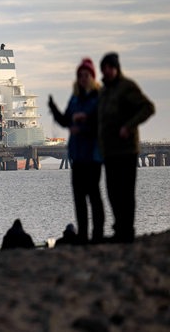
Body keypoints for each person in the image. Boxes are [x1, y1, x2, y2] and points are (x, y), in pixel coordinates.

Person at [98, 52, 155, 243]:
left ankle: (126, 230)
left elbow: (148, 107)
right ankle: (119, 227)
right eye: (104, 68)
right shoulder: (104, 92)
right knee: (112, 191)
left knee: (126, 192)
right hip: (109, 151)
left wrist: (128, 126)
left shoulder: (127, 87)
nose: (106, 71)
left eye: (109, 67)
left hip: (127, 150)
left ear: (116, 68)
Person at [48, 57, 105, 244]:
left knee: (94, 196)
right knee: (79, 198)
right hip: (77, 155)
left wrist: (83, 124)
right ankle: (82, 236)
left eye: (86, 75)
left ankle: (97, 234)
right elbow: (66, 121)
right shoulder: (75, 98)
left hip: (93, 155)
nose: (82, 78)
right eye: (80, 75)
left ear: (92, 76)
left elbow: (100, 123)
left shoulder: (98, 97)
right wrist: (54, 109)